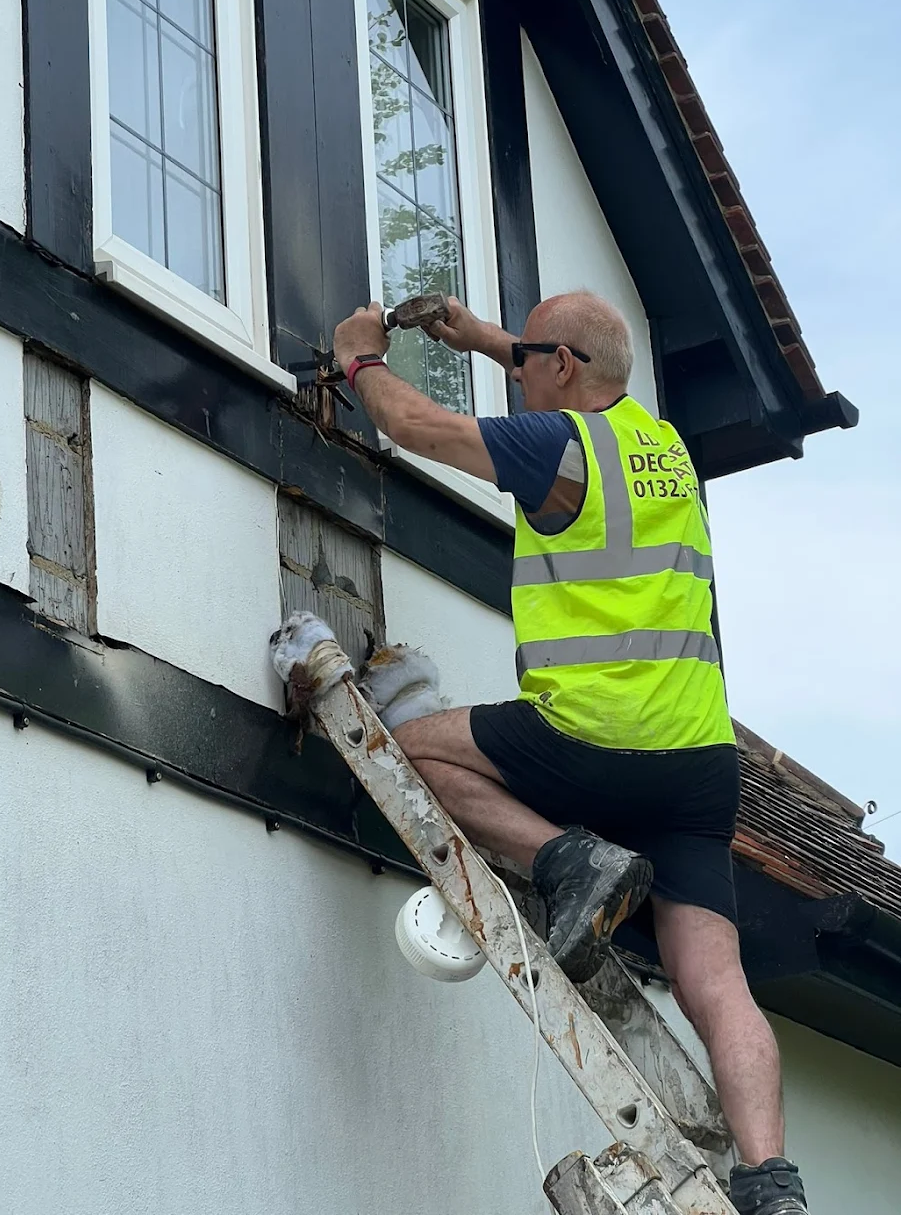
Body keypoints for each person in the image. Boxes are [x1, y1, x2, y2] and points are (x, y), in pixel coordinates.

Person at [332, 290, 808, 1215]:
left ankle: (566, 859)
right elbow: (574, 357)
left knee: (406, 754)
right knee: (716, 981)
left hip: (591, 736)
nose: (518, 380)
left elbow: (415, 427)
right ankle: (770, 1181)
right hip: (698, 763)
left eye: (526, 364)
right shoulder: (661, 447)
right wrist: (479, 337)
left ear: (561, 371)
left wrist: (360, 359)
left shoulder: (557, 447)